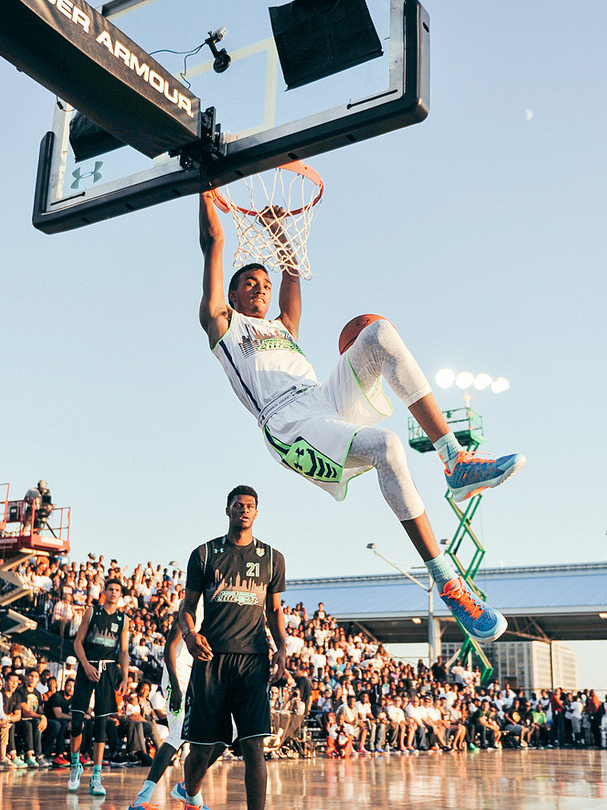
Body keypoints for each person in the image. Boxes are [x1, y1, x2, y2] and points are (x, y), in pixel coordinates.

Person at [198, 193, 524, 642]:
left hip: (321, 399)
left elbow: (291, 270)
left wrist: (278, 230)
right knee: (387, 446)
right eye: (249, 284)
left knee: (378, 332)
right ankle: (447, 580)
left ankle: (455, 459)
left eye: (264, 284)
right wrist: (205, 187)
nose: (260, 287)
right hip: (289, 423)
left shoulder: (283, 328)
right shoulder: (222, 323)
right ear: (232, 295)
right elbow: (213, 241)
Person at [172, 485, 286, 810]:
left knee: (254, 746)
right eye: (238, 505)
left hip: (253, 661)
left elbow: (275, 610)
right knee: (204, 749)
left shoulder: (272, 558)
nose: (244, 510)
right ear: (228, 510)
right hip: (212, 659)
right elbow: (187, 605)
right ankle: (189, 793)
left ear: (256, 512)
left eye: (250, 506)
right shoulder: (205, 554)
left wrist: (282, 648)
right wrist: (189, 633)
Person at [127, 616, 225, 810]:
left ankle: (187, 789)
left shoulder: (214, 615)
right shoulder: (189, 613)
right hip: (177, 678)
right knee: (177, 734)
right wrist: (175, 686)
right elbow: (169, 648)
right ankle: (141, 798)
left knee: (224, 734)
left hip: (196, 679)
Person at [68, 577, 129, 796]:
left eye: (117, 590)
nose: (114, 592)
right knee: (77, 721)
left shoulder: (123, 619)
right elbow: (77, 642)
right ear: (104, 592)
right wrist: (84, 665)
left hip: (109, 670)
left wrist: (125, 676)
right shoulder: (92, 612)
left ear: (120, 595)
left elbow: (123, 651)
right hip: (88, 667)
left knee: (101, 724)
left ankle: (96, 776)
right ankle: (75, 765)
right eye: (111, 589)